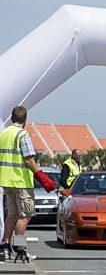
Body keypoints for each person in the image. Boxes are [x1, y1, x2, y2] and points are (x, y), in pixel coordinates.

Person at [0, 106, 56, 263]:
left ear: (12, 118)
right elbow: (28, 160)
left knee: (12, 215)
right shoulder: (22, 135)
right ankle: (19, 248)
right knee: (25, 216)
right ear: (25, 120)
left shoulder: (3, 134)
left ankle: (5, 247)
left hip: (6, 181)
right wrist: (43, 179)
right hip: (21, 181)